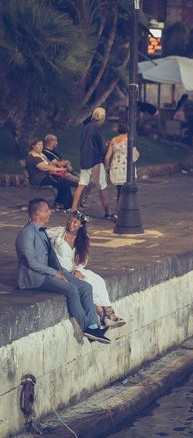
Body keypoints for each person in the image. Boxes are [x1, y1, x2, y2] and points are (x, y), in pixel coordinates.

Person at [15, 198, 110, 344]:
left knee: (85, 287)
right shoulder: (27, 233)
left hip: (50, 271)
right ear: (37, 212)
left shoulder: (42, 231)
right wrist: (55, 274)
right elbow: (31, 262)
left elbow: (51, 258)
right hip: (35, 277)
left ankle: (94, 326)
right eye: (47, 210)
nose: (50, 213)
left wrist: (62, 271)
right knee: (71, 290)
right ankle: (86, 327)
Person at [48, 210, 126, 328]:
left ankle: (108, 312)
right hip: (62, 270)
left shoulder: (83, 238)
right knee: (86, 284)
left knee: (97, 280)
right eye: (70, 220)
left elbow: (84, 259)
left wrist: (78, 270)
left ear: (81, 224)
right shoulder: (58, 232)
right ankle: (104, 316)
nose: (71, 223)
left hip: (75, 269)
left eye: (75, 222)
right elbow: (41, 233)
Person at [70, 107, 115, 220]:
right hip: (95, 161)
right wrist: (107, 145)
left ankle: (73, 209)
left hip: (85, 160)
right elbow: (102, 149)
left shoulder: (86, 127)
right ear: (102, 118)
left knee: (82, 184)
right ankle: (108, 212)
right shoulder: (97, 128)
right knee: (102, 186)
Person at [25, 137, 73, 210]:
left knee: (63, 181)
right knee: (64, 182)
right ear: (33, 146)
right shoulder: (33, 156)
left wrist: (54, 167)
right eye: (39, 145)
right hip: (39, 179)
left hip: (46, 176)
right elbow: (43, 167)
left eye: (41, 145)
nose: (41, 146)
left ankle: (61, 203)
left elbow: (48, 164)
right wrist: (57, 169)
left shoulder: (40, 154)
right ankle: (65, 205)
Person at [104, 122, 139, 207]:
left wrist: (107, 168)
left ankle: (119, 211)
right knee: (127, 192)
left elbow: (107, 157)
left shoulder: (113, 140)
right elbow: (134, 156)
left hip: (116, 169)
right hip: (126, 169)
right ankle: (126, 211)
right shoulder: (130, 139)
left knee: (119, 192)